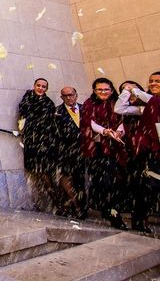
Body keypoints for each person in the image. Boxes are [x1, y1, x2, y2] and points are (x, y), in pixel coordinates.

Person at [80, 78, 128, 229]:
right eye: (99, 89)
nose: (103, 92)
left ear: (112, 90)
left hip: (118, 147)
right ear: (94, 91)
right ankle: (111, 211)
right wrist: (104, 131)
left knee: (119, 179)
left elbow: (123, 119)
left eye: (106, 89)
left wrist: (119, 131)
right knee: (105, 181)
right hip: (99, 148)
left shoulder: (117, 102)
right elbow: (89, 122)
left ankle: (114, 207)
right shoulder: (89, 103)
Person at [116, 75, 159, 233]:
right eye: (151, 81)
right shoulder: (142, 108)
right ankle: (140, 219)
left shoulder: (152, 101)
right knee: (144, 188)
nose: (153, 83)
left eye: (157, 81)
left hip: (154, 150)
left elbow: (152, 100)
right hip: (141, 151)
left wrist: (133, 88)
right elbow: (119, 109)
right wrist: (127, 91)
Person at [19, 78, 59, 212]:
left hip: (46, 141)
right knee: (41, 173)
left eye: (43, 87)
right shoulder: (27, 98)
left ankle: (57, 202)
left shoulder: (48, 102)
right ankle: (56, 202)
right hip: (33, 141)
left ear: (46, 89)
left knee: (46, 172)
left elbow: (49, 121)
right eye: (38, 86)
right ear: (34, 86)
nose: (40, 88)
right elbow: (24, 113)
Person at [53, 86, 85, 218]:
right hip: (66, 151)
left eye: (71, 95)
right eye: (65, 96)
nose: (69, 97)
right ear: (61, 98)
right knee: (66, 178)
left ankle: (80, 205)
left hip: (84, 150)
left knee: (81, 179)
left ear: (76, 95)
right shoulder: (57, 112)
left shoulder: (85, 109)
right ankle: (75, 205)